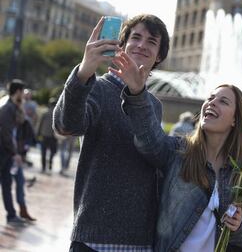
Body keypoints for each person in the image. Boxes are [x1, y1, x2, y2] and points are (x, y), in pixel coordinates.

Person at [112, 56, 242, 251]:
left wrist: (239, 227)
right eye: (210, 98)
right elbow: (149, 139)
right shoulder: (179, 152)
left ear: (236, 119)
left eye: (223, 101)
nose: (211, 103)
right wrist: (137, 93)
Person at [53, 14, 169, 251]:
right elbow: (66, 125)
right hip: (94, 237)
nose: (141, 45)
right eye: (135, 37)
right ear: (122, 45)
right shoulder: (98, 88)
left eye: (151, 41)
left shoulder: (154, 106)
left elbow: (156, 154)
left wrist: (137, 97)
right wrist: (84, 71)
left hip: (139, 240)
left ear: (159, 56)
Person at [0, 79, 26, 224]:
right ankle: (11, 215)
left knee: (7, 183)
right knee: (6, 183)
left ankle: (11, 215)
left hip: (5, 151)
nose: (23, 94)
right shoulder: (8, 107)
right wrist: (15, 153)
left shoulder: (12, 106)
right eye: (22, 91)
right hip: (3, 151)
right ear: (17, 91)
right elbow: (6, 133)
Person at [12, 106, 36, 221]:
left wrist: (23, 151)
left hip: (18, 157)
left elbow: (30, 138)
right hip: (9, 157)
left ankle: (23, 210)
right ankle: (15, 213)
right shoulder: (9, 122)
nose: (19, 118)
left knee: (20, 182)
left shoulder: (26, 123)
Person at [37, 98, 58, 173]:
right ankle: (50, 162)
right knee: (53, 151)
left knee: (43, 152)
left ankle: (43, 167)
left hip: (44, 135)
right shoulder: (57, 114)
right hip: (53, 136)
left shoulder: (45, 113)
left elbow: (40, 124)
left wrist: (38, 133)